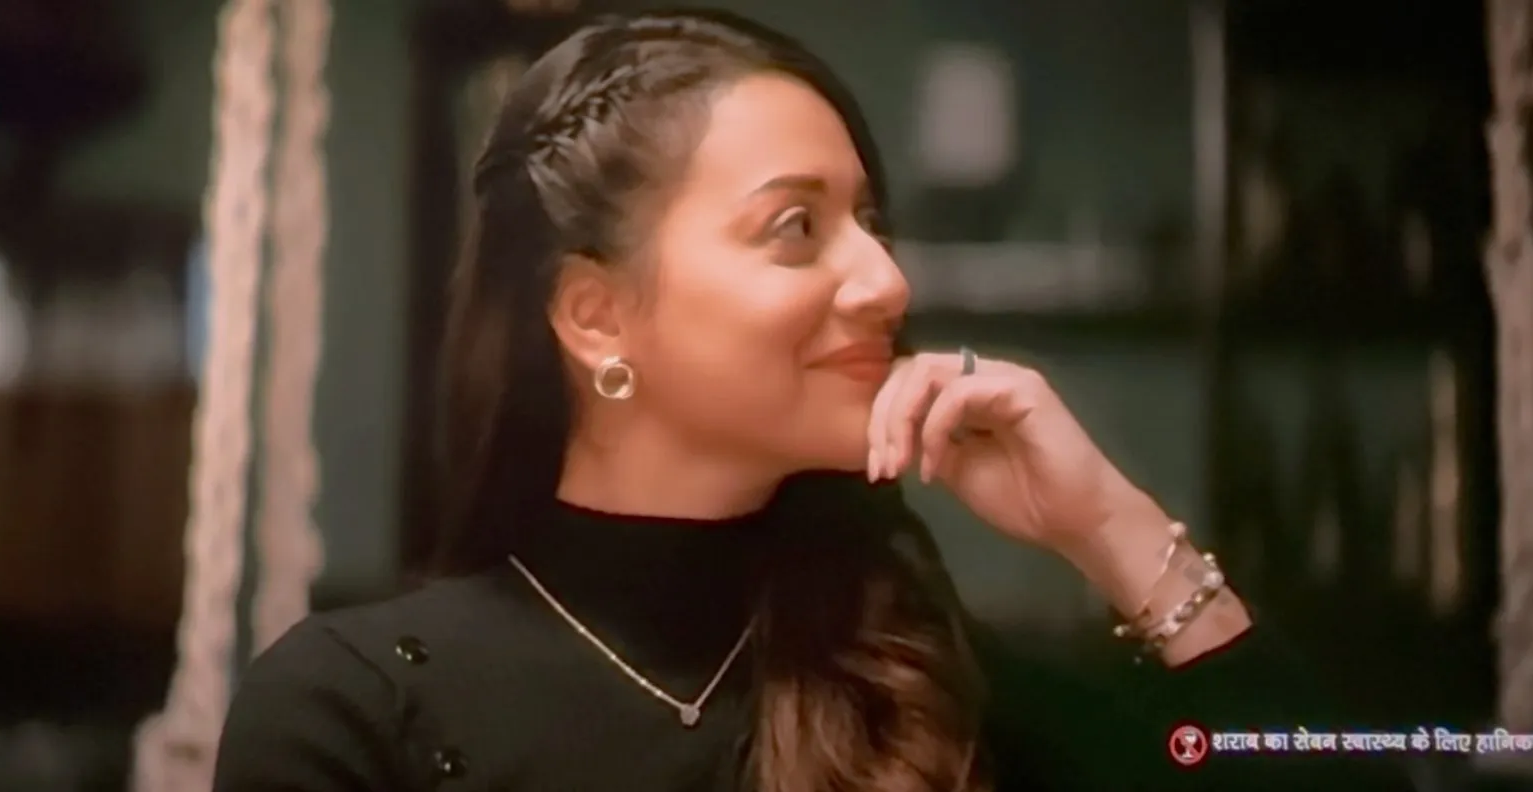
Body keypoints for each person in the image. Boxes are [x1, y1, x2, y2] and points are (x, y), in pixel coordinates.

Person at [213, 9, 1414, 791]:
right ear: (596, 317)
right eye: (797, 227)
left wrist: (1112, 526)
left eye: (871, 224)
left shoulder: (913, 684)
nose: (887, 281)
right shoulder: (354, 710)